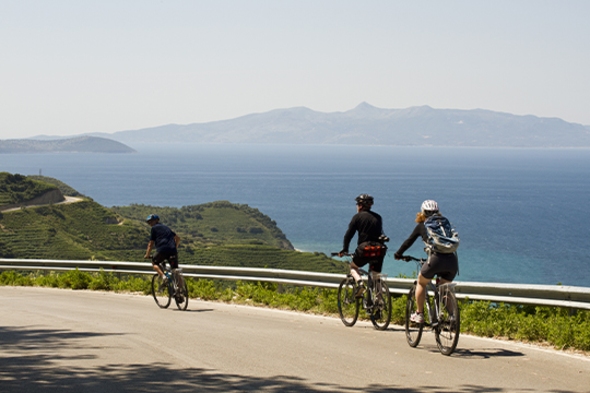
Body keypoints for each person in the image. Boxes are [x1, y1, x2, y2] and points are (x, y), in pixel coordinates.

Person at [394, 200, 459, 323]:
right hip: (452, 261)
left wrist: (398, 254)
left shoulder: (422, 225)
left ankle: (419, 314)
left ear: (422, 212)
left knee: (421, 282)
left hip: (435, 260)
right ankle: (452, 316)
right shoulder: (445, 225)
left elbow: (408, 241)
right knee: (444, 288)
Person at [339, 194, 388, 297]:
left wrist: (345, 249)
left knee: (353, 267)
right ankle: (379, 301)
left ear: (361, 205)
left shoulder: (357, 217)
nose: (357, 206)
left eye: (357, 204)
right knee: (376, 276)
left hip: (364, 249)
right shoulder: (378, 217)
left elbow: (348, 235)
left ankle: (360, 283)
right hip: (379, 249)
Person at [144, 214, 181, 282]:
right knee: (175, 270)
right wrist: (175, 247)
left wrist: (147, 255)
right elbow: (178, 238)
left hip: (162, 250)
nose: (150, 223)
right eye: (149, 222)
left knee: (154, 263)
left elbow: (151, 243)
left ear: (156, 220)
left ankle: (163, 277)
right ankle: (181, 289)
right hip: (173, 250)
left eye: (151, 221)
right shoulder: (166, 227)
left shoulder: (154, 228)